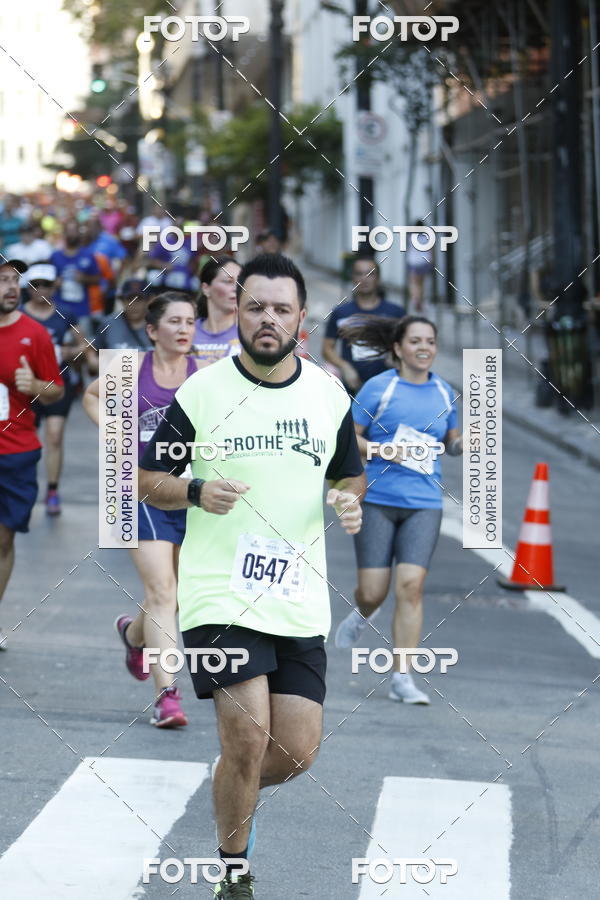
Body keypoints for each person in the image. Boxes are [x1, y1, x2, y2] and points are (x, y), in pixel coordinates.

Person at [138, 253, 365, 898]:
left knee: (293, 752)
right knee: (246, 734)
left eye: (282, 309)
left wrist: (349, 499)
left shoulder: (327, 395)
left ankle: (230, 782)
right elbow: (147, 480)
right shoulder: (202, 393)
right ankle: (232, 872)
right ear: (237, 312)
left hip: (296, 597)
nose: (268, 319)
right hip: (222, 594)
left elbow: (348, 472)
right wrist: (196, 489)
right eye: (256, 306)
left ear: (301, 318)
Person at [84, 292, 202, 727]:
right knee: (163, 593)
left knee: (174, 594)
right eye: (174, 321)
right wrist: (116, 433)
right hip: (135, 488)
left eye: (190, 320)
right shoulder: (130, 367)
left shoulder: (204, 375)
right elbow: (92, 397)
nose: (184, 328)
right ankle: (167, 697)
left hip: (188, 491)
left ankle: (134, 636)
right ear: (152, 331)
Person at [334, 315, 462, 705]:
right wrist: (378, 449)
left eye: (431, 341)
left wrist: (464, 443)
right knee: (373, 592)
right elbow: (348, 436)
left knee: (411, 587)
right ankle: (363, 613)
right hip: (378, 500)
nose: (424, 347)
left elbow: (452, 440)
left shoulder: (443, 392)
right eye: (416, 341)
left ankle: (402, 677)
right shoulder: (379, 389)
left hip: (424, 503)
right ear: (398, 348)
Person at [0, 258, 64, 648]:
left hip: (16, 452)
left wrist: (35, 383)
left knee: (3, 541)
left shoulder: (35, 334)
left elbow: (56, 391)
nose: (10, 287)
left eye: (13, 280)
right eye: (2, 280)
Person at [22, 263, 91, 516]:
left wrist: (68, 352)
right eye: (35, 285)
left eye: (46, 285)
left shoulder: (66, 314)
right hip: (24, 388)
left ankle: (52, 490)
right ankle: (23, 489)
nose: (41, 290)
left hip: (58, 384)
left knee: (54, 436)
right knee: (26, 442)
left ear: (55, 286)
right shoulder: (18, 314)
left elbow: (85, 347)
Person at [322, 255, 405, 395]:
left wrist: (397, 357)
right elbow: (327, 349)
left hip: (390, 388)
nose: (364, 279)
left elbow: (409, 345)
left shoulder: (396, 313)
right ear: (352, 278)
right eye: (359, 274)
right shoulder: (341, 312)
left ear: (378, 278)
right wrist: (344, 367)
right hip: (352, 389)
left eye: (370, 274)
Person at [50, 219, 101, 334]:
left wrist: (84, 278)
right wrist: (55, 283)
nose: (72, 234)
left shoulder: (88, 254)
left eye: (74, 230)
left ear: (79, 233)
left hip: (82, 309)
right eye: (69, 231)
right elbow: (46, 283)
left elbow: (98, 279)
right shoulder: (55, 256)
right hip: (60, 309)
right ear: (64, 234)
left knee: (85, 344)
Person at [192, 256, 242, 366]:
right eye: (228, 281)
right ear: (206, 288)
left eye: (240, 282)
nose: (236, 288)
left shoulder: (249, 334)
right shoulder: (186, 331)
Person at [96, 276, 154, 351]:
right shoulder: (108, 324)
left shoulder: (159, 325)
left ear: (148, 301)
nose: (134, 305)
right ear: (122, 301)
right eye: (129, 299)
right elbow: (93, 353)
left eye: (139, 299)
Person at [406, 220, 434, 315]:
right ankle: (420, 301)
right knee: (422, 283)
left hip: (414, 261)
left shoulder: (411, 237)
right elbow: (430, 250)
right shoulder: (427, 237)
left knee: (414, 283)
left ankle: (416, 299)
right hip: (424, 261)